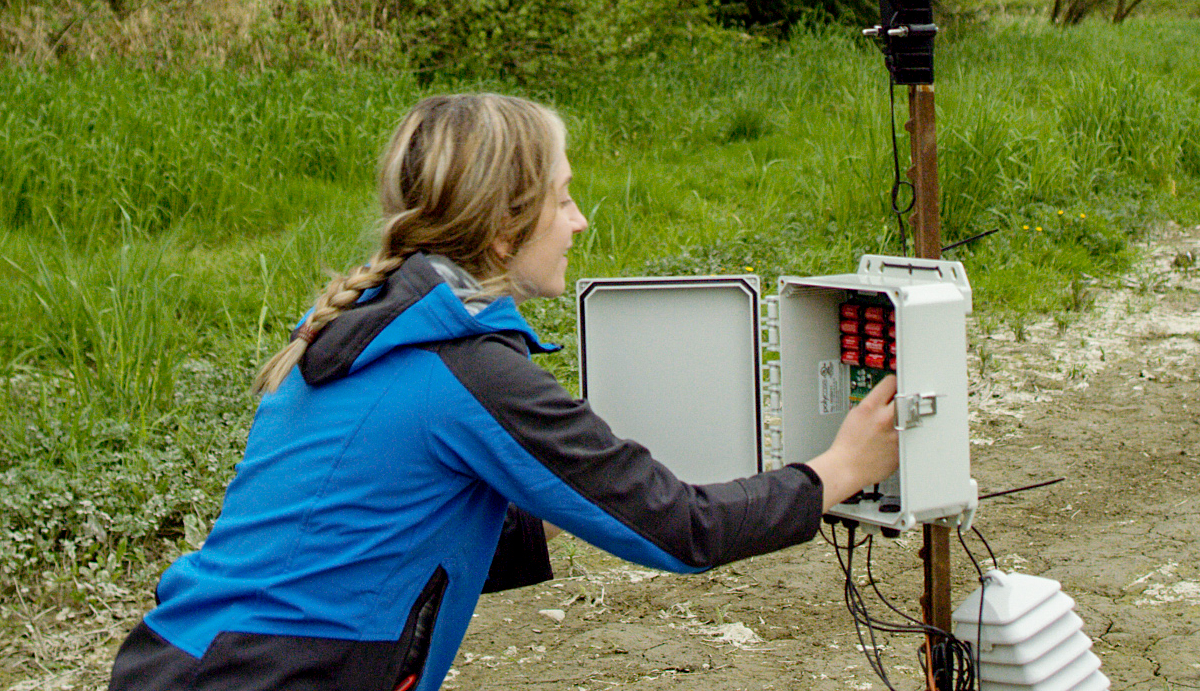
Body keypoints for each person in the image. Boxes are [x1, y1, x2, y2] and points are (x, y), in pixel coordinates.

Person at [108, 92, 904, 691]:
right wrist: (838, 470)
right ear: (502, 228)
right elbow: (679, 532)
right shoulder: (466, 368)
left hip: (191, 659)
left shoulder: (380, 327)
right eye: (562, 198)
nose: (579, 220)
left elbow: (392, 524)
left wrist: (581, 489)